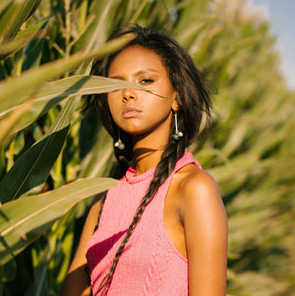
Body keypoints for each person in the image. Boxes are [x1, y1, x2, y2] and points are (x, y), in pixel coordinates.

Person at [61, 26, 228, 296]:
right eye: (117, 84)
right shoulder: (102, 200)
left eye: (145, 81)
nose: (128, 93)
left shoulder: (194, 189)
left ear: (177, 97)